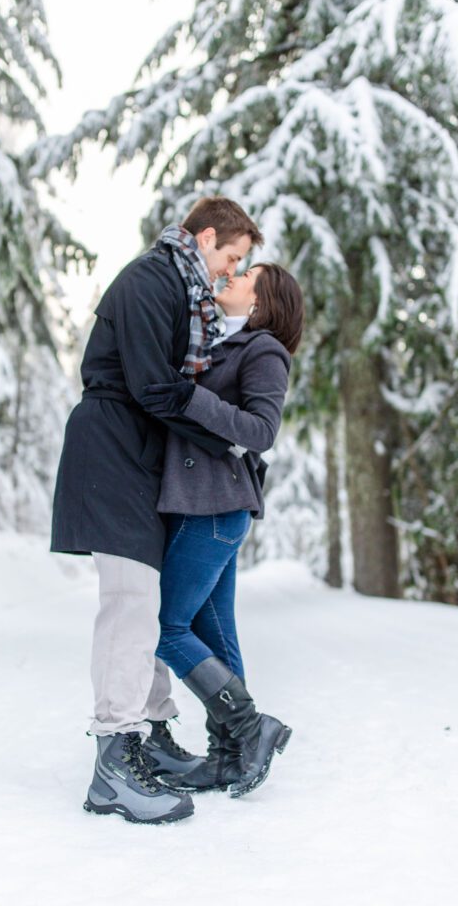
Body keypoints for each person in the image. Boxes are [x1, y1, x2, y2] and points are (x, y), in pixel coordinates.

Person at [50, 196, 264, 825]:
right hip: (110, 444)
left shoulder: (185, 291)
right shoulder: (149, 280)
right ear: (204, 237)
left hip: (139, 452)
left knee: (148, 598)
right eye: (231, 256)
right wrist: (227, 440)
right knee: (131, 600)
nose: (231, 271)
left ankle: (153, 737)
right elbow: (153, 387)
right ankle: (114, 762)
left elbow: (177, 388)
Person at [140, 263, 304, 799]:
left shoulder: (264, 351)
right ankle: (230, 755)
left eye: (245, 275)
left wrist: (192, 397)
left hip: (215, 508)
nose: (230, 276)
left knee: (167, 626)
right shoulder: (220, 343)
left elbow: (262, 431)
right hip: (201, 505)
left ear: (261, 301)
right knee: (214, 632)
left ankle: (252, 727)